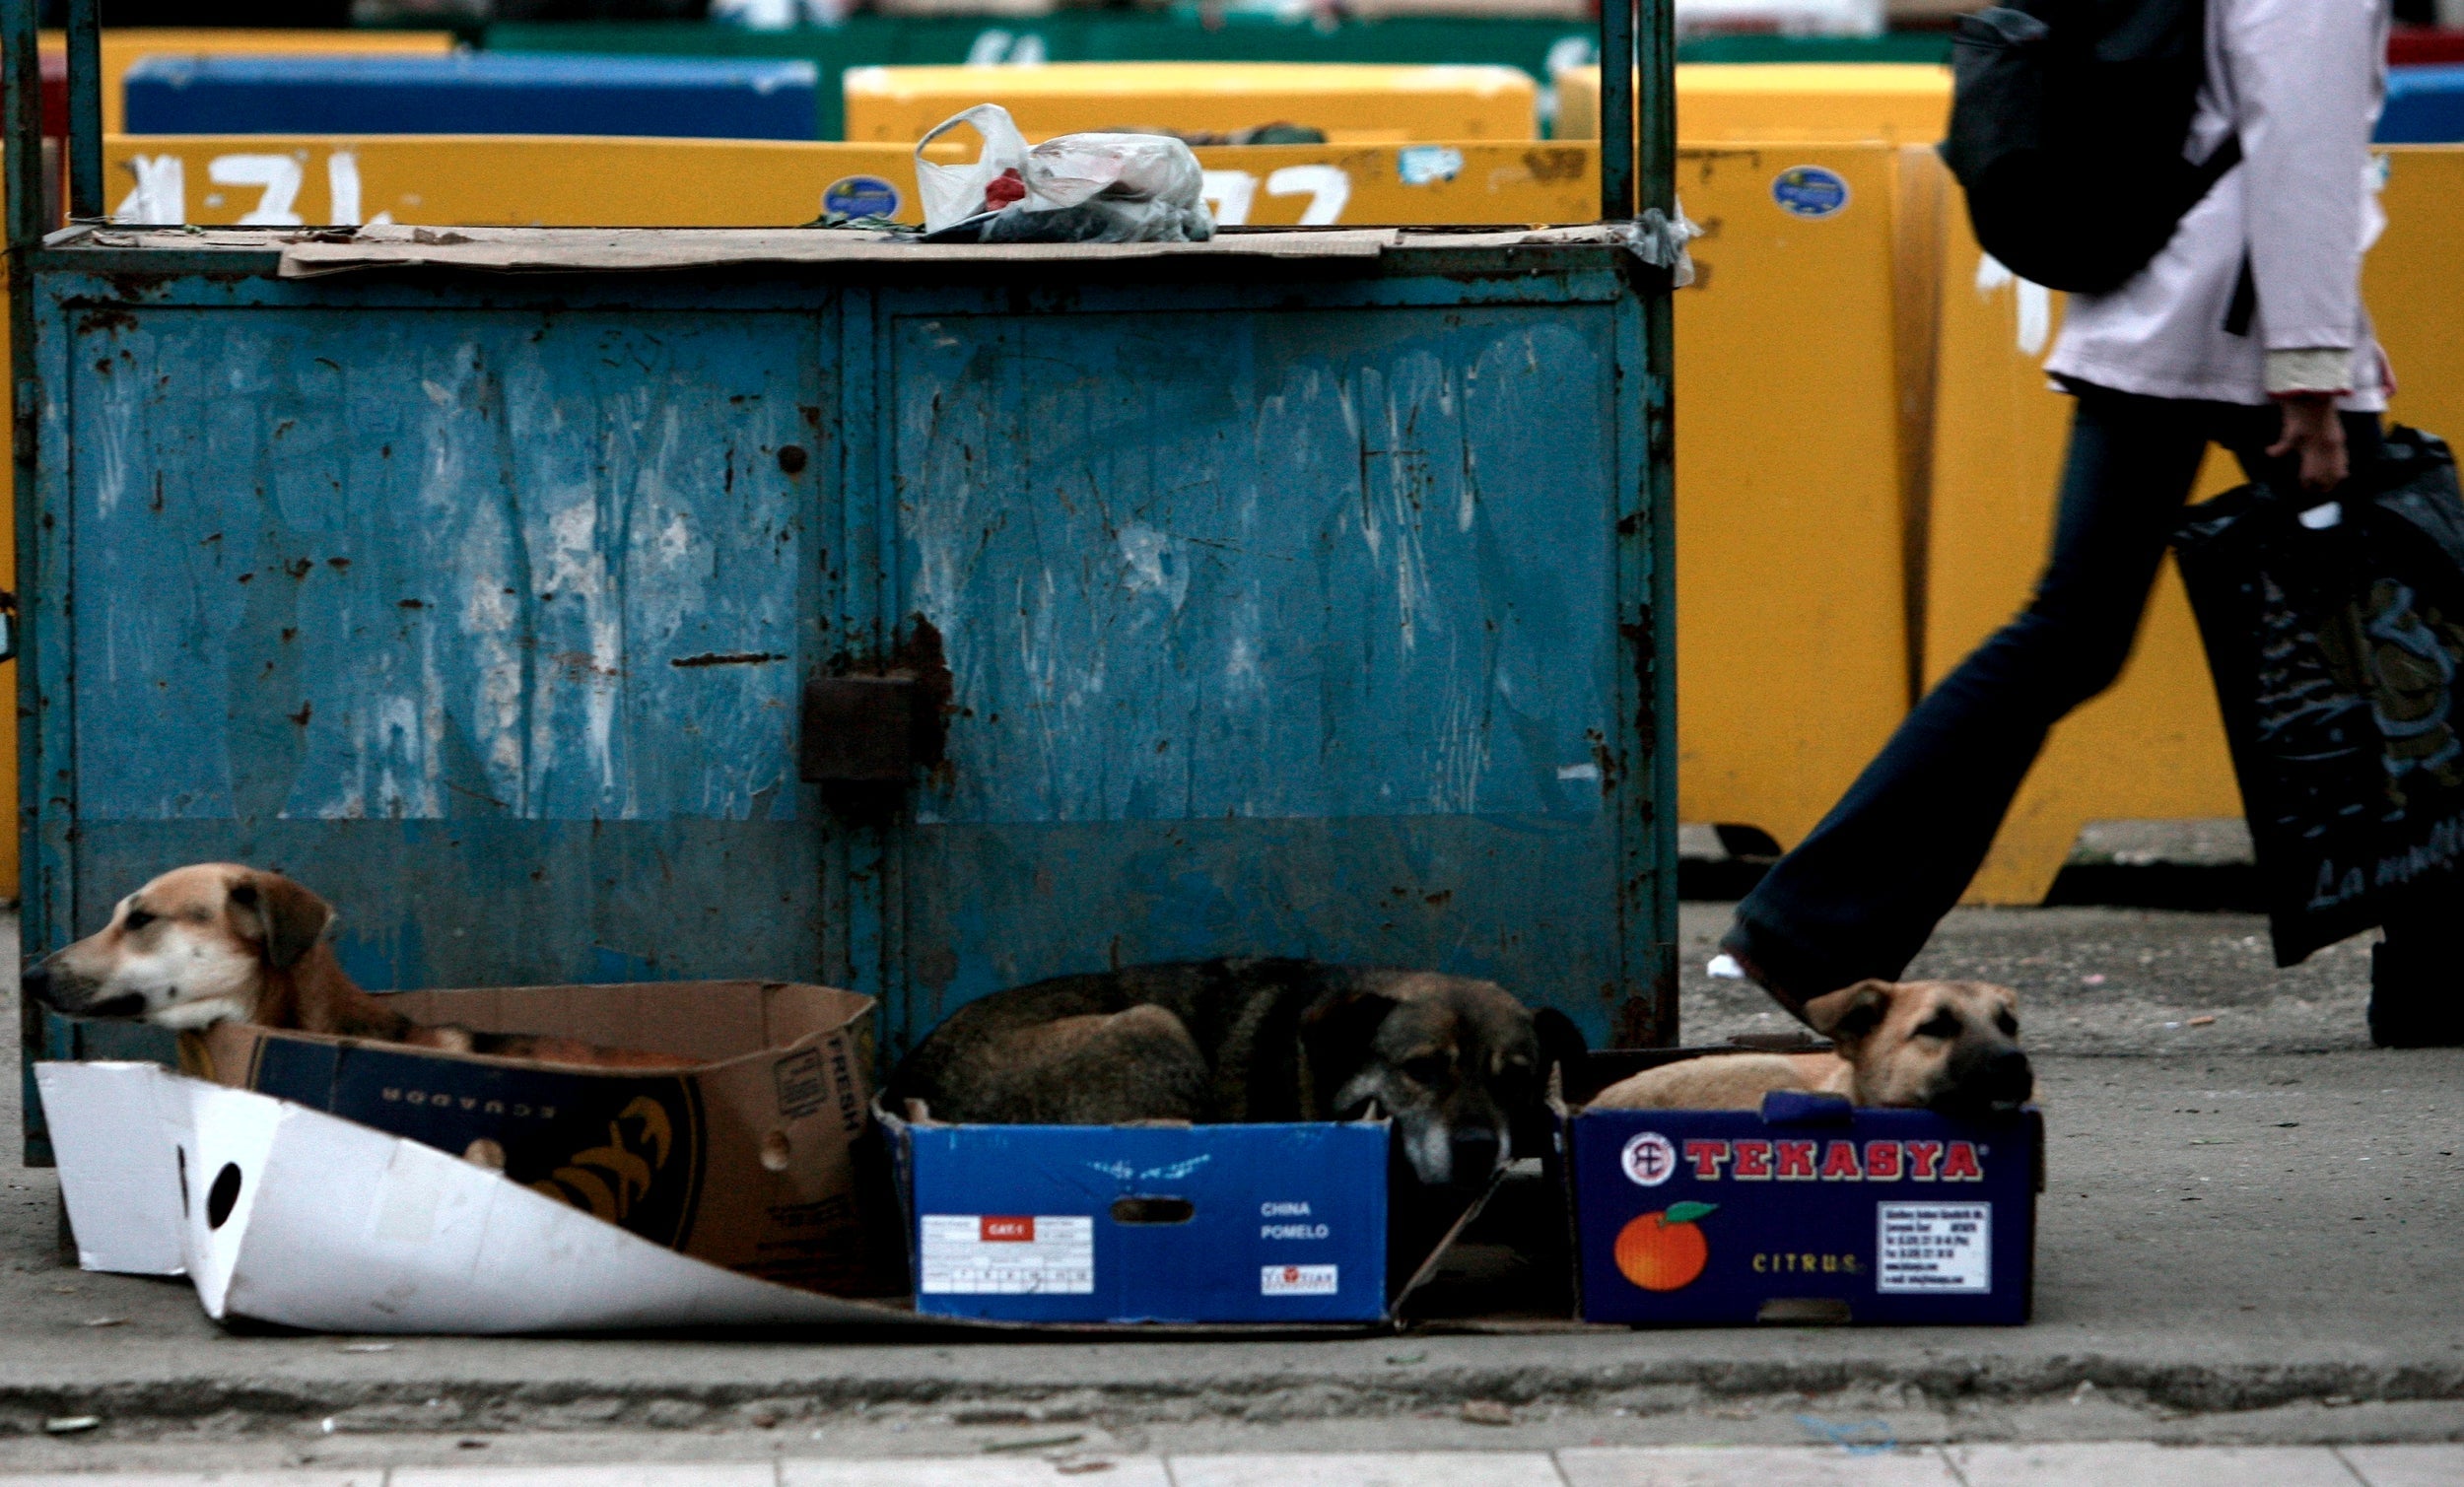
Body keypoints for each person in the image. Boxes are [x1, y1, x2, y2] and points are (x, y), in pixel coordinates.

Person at [1721, 0, 2459, 1048]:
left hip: (2163, 300)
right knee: (2394, 631)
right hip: (2245, 321)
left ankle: (1808, 929)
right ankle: (2440, 972)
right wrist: (2309, 370)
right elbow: (2301, 144)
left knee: (2084, 632)